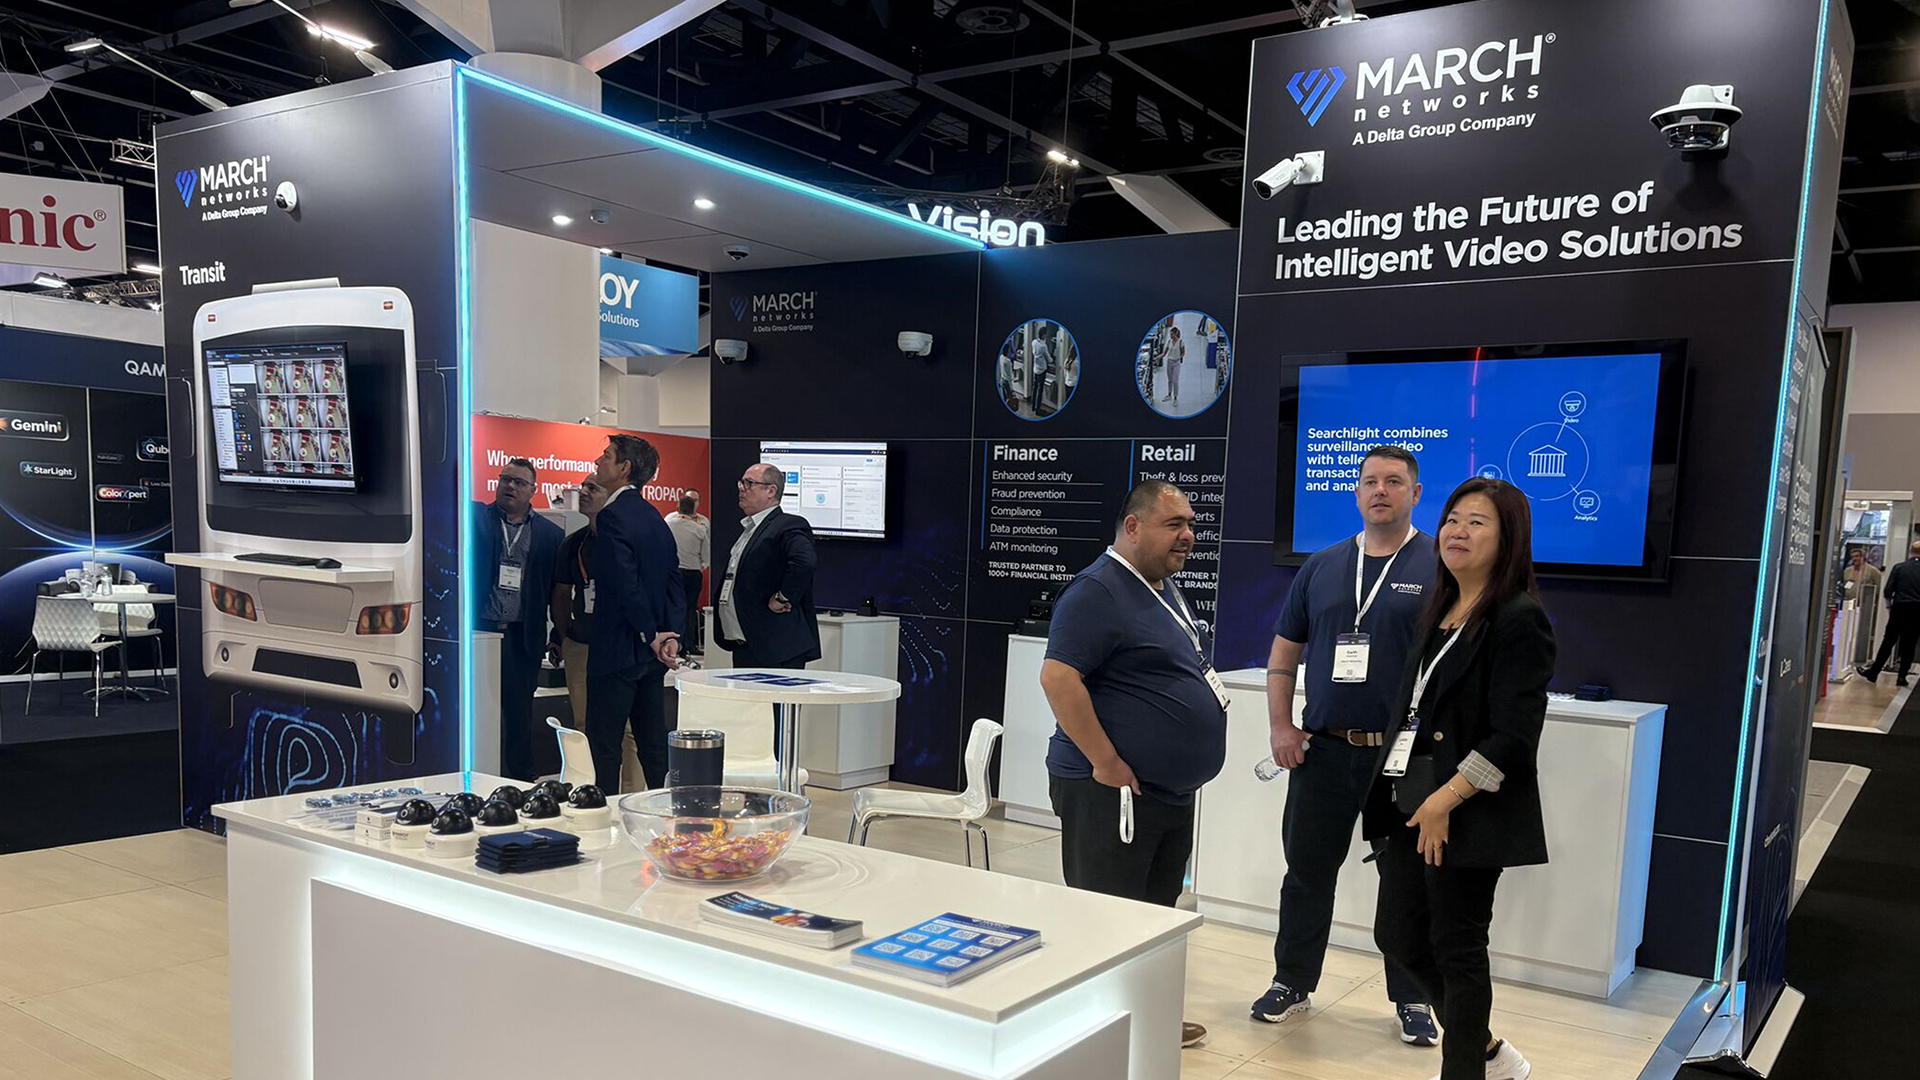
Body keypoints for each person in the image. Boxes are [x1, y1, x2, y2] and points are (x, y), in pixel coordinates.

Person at [1365, 477, 1556, 1080]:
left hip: (1466, 812)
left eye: (1477, 522)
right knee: (1398, 935)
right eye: (1452, 519)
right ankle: (1488, 1051)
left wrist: (1447, 799)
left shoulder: (1518, 618)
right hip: (1411, 803)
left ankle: (1466, 1070)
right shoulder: (1440, 608)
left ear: (1508, 538)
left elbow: (1513, 737)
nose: (1457, 531)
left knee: (1458, 948)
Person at [1253, 446, 1438, 1048]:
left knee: (1406, 882)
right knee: (1306, 873)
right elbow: (1284, 651)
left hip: (1403, 755)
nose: (1380, 490)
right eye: (1370, 481)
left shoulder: (1440, 564)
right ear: (1356, 493)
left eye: (1394, 481)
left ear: (1415, 493)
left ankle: (1413, 996)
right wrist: (1281, 727)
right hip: (1326, 750)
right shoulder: (1323, 565)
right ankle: (1291, 981)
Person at [1039, 480, 1228, 1051]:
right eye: (1174, 524)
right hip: (1111, 791)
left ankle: (1146, 1019)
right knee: (1108, 916)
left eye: (1190, 524)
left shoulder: (1162, 587)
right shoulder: (1098, 591)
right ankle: (1094, 1036)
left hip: (1165, 792)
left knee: (1153, 915)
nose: (1188, 535)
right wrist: (1105, 762)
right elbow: (1058, 678)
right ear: (1133, 527)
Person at [584, 435, 684, 793]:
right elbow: (674, 579)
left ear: (624, 468)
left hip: (617, 650)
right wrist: (669, 634)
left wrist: (648, 632)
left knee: (605, 747)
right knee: (653, 745)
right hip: (650, 654)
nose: (598, 461)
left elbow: (624, 582)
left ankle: (604, 815)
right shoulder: (654, 517)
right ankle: (669, 811)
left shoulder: (612, 517)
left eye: (606, 456)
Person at [472, 458, 563, 780]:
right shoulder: (474, 520)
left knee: (519, 712)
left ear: (532, 491)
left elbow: (556, 591)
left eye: (519, 482)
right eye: (505, 479)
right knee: (475, 709)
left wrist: (558, 634)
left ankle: (521, 779)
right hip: (479, 633)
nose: (510, 486)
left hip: (522, 636)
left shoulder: (550, 535)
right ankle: (475, 772)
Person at [715, 463, 820, 672]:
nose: (741, 488)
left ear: (771, 491)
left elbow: (804, 561)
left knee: (776, 695)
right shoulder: (750, 529)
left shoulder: (787, 525)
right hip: (747, 644)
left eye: (749, 483)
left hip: (776, 647)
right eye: (741, 482)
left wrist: (783, 597)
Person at [550, 476, 609, 731]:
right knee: (583, 722)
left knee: (626, 728)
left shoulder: (627, 541)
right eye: (583, 487)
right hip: (581, 643)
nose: (583, 492)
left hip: (619, 647)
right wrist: (564, 637)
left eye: (592, 488)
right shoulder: (573, 543)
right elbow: (561, 593)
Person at [1861, 539, 1920, 686]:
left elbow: (1888, 590)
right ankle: (1902, 677)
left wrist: (1889, 607)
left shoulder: (1899, 567)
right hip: (1917, 610)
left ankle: (1874, 672)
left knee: (1888, 641)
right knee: (1910, 644)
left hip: (1899, 608)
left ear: (1910, 552)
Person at [665, 491, 712, 656]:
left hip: (673, 572)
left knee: (672, 607)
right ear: (693, 510)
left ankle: (671, 644)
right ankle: (688, 645)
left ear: (677, 507)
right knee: (690, 610)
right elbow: (706, 556)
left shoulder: (668, 522)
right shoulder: (700, 529)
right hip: (692, 573)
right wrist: (700, 566)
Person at [1844, 548, 1883, 669]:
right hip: (1849, 607)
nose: (1855, 559)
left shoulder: (1873, 571)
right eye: (1853, 557)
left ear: (1862, 557)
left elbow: (1879, 588)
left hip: (1866, 608)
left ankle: (1865, 656)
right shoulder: (1847, 571)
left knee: (1864, 631)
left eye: (1857, 556)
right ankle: (1847, 655)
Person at [1163, 324, 1185, 406]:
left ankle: (1175, 398)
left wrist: (1179, 357)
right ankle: (1169, 395)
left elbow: (1183, 353)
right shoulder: (1169, 342)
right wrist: (1157, 358)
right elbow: (1164, 353)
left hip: (1176, 363)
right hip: (1169, 362)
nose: (1170, 336)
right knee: (1170, 380)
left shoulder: (1181, 342)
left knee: (1175, 381)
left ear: (1176, 334)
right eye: (1170, 334)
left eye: (1172, 334)